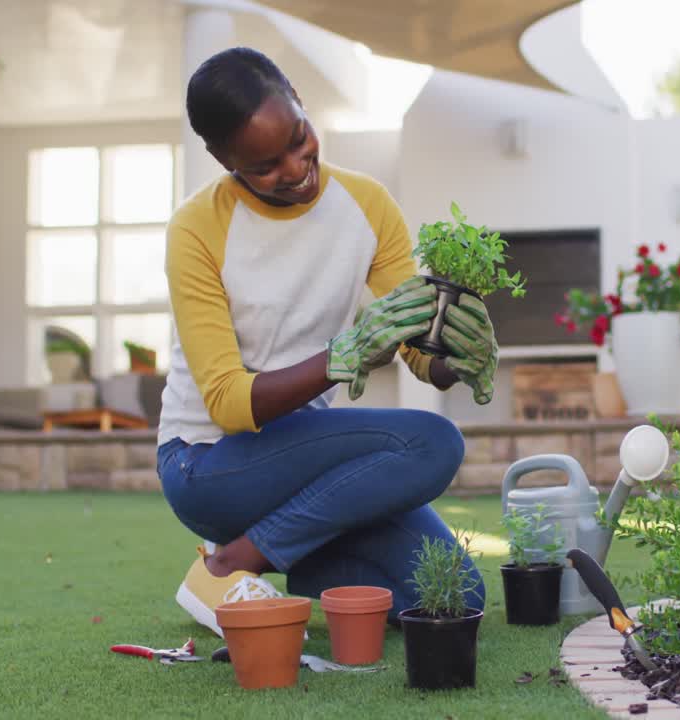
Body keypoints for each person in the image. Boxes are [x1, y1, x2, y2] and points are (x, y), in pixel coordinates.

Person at [157, 47, 496, 636]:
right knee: (433, 443)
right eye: (264, 165)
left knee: (455, 593)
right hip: (208, 463)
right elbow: (228, 402)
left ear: (300, 103)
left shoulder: (365, 205)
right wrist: (345, 357)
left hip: (303, 470)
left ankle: (271, 556)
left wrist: (460, 351)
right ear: (221, 158)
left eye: (298, 137)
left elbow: (419, 353)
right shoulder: (197, 228)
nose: (294, 167)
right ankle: (236, 560)